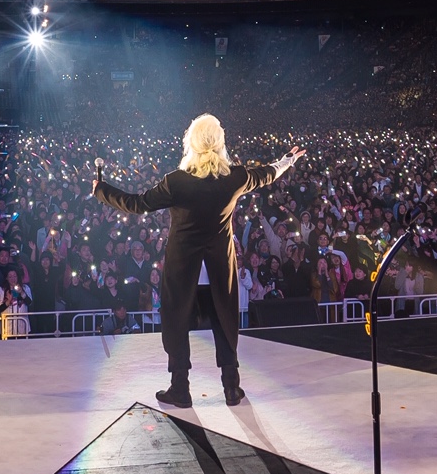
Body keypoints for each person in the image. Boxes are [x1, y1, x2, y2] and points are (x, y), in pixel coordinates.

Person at [93, 114, 301, 408]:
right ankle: (232, 388)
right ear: (219, 142)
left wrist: (102, 190)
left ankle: (180, 388)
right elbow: (266, 174)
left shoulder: (176, 182)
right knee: (224, 321)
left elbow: (137, 204)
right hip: (218, 267)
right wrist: (287, 161)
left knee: (177, 321)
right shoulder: (235, 177)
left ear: (190, 141)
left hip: (183, 268)